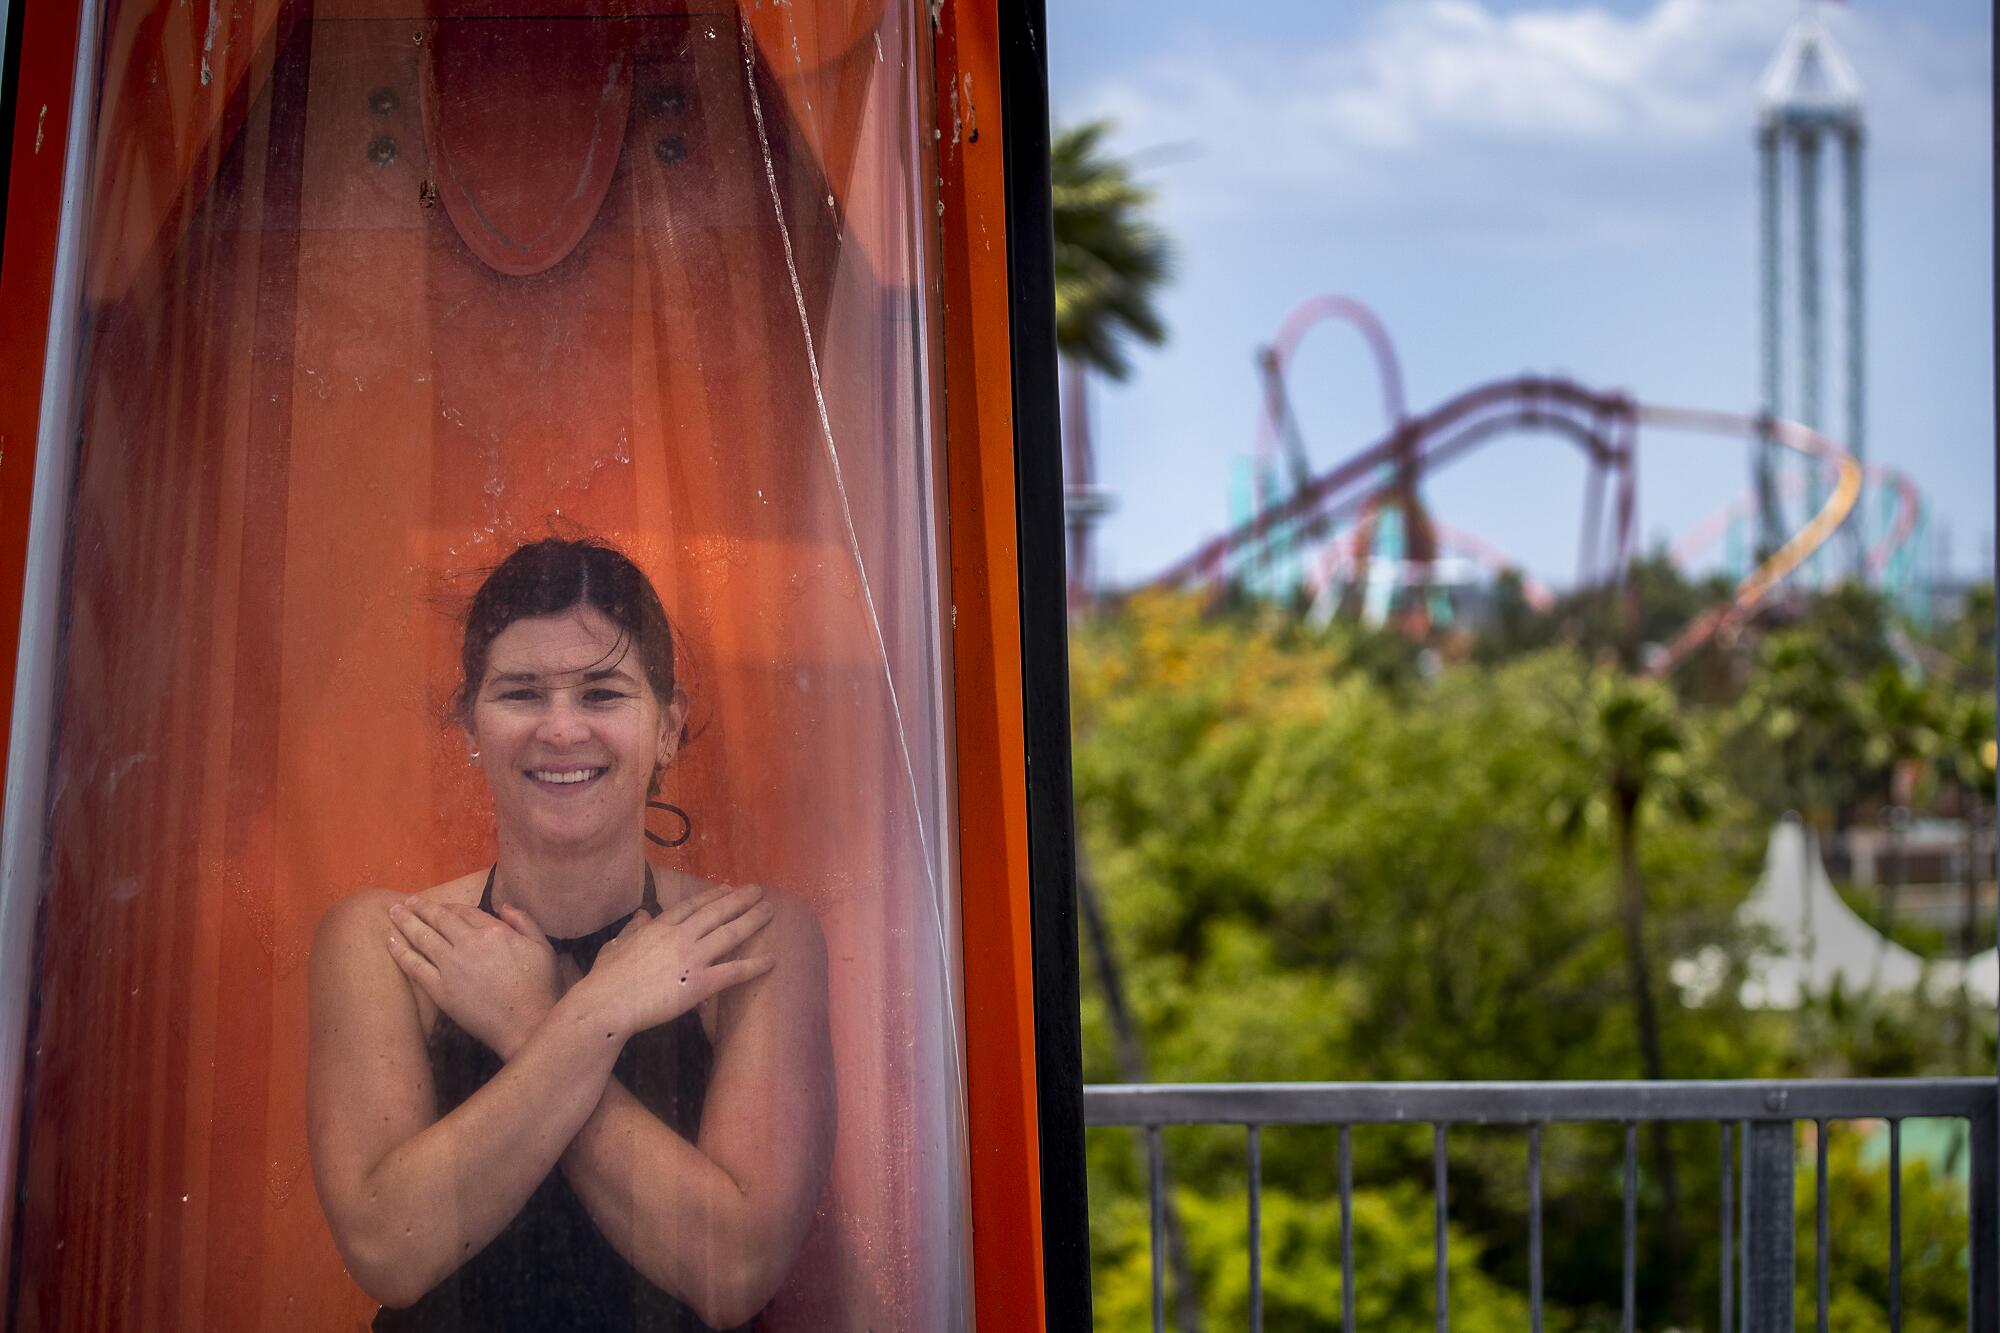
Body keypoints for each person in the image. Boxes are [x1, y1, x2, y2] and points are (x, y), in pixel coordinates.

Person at [308, 537, 834, 1332]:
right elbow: (390, 1251)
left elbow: (730, 1273)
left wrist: (531, 1018)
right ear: (469, 724)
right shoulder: (387, 942)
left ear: (667, 726)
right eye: (521, 692)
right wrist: (597, 1012)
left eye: (602, 693)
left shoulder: (756, 941)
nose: (561, 730)